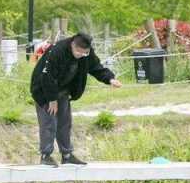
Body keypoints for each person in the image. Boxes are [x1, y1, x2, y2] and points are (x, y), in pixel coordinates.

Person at [30, 32, 122, 167]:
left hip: (63, 90)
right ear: (72, 45)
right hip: (44, 91)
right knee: (49, 123)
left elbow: (96, 67)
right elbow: (47, 76)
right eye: (78, 52)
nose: (80, 55)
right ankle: (46, 156)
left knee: (65, 123)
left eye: (84, 53)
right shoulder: (58, 51)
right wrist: (52, 99)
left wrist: (110, 79)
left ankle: (67, 155)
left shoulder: (86, 53)